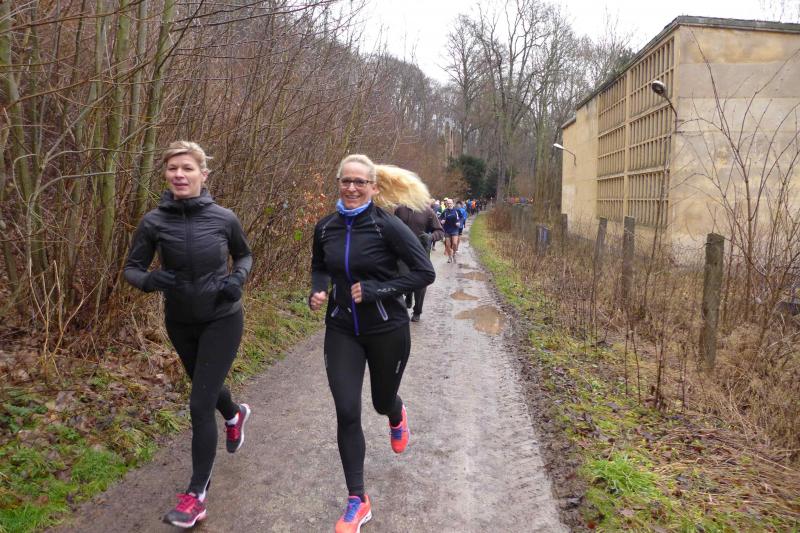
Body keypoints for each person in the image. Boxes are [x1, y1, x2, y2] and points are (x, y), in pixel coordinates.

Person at [124, 141, 253, 529]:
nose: (179, 174)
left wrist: (237, 279)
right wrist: (150, 281)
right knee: (204, 386)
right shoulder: (153, 222)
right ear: (165, 174)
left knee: (199, 404)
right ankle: (235, 413)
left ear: (203, 174)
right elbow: (131, 268)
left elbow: (244, 255)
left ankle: (196, 496)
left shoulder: (224, 218)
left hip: (222, 318)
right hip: (179, 321)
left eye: (187, 168)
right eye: (172, 168)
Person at [309, 154, 435, 533]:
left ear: (373, 187)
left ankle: (396, 413)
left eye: (359, 182)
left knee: (381, 402)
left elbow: (424, 272)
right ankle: (357, 499)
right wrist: (319, 289)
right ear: (338, 183)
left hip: (386, 329)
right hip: (341, 329)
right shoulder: (325, 227)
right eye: (345, 181)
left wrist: (378, 290)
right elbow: (320, 265)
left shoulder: (388, 227)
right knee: (347, 411)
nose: (351, 188)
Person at [395, 202, 444, 322]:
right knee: (401, 278)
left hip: (421, 253)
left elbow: (440, 231)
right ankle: (408, 293)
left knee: (421, 284)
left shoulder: (428, 211)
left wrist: (431, 237)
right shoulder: (400, 209)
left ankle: (417, 311)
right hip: (402, 253)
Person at [439, 198, 461, 263]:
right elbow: (440, 218)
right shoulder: (445, 211)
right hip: (447, 230)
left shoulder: (457, 210)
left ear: (453, 203)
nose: (449, 204)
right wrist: (441, 221)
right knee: (448, 245)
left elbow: (462, 218)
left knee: (454, 243)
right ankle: (449, 257)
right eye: (448, 203)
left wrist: (459, 223)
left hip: (455, 229)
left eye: (450, 203)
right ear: (446, 204)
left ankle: (454, 254)